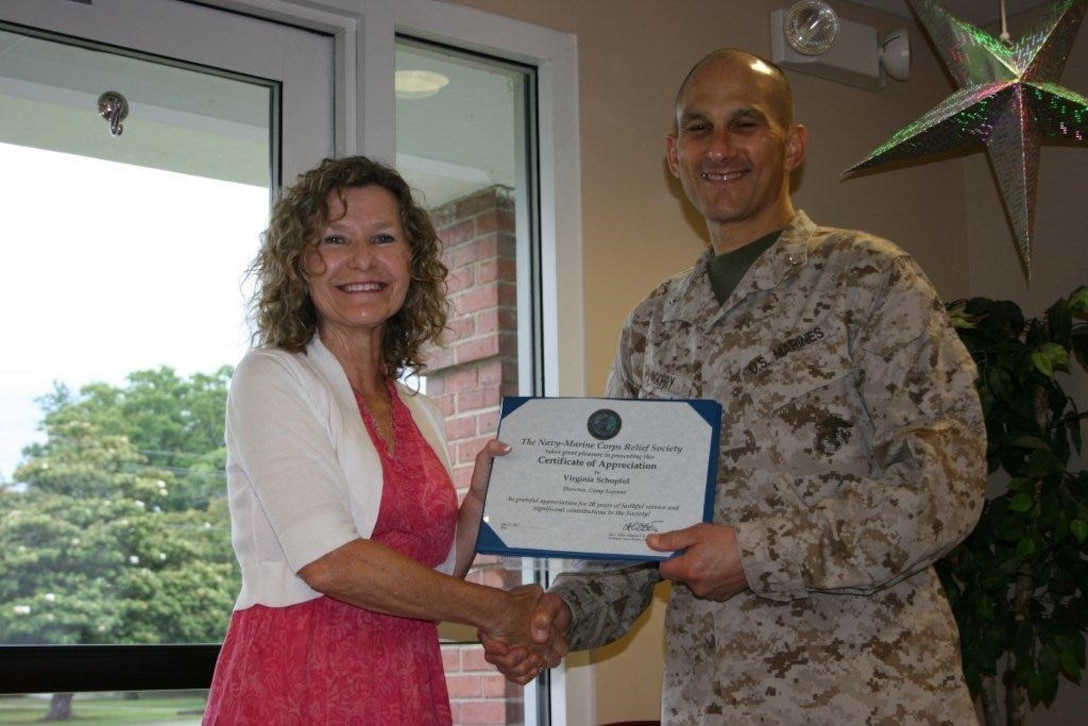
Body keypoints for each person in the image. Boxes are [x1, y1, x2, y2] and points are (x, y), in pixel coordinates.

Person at [482, 48, 987, 724]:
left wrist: (754, 554)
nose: (720, 148)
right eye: (699, 129)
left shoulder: (868, 281)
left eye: (745, 125)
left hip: (870, 696)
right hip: (708, 702)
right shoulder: (652, 326)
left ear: (793, 145)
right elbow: (629, 538)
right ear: (673, 153)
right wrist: (562, 616)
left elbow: (944, 486)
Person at [203, 155, 543, 725]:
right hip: (299, 681)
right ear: (300, 264)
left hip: (406, 680)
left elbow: (434, 576)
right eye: (335, 239)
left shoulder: (420, 409)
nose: (362, 259)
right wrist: (500, 610)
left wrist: (478, 505)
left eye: (383, 237)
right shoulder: (271, 377)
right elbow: (329, 561)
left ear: (412, 261)